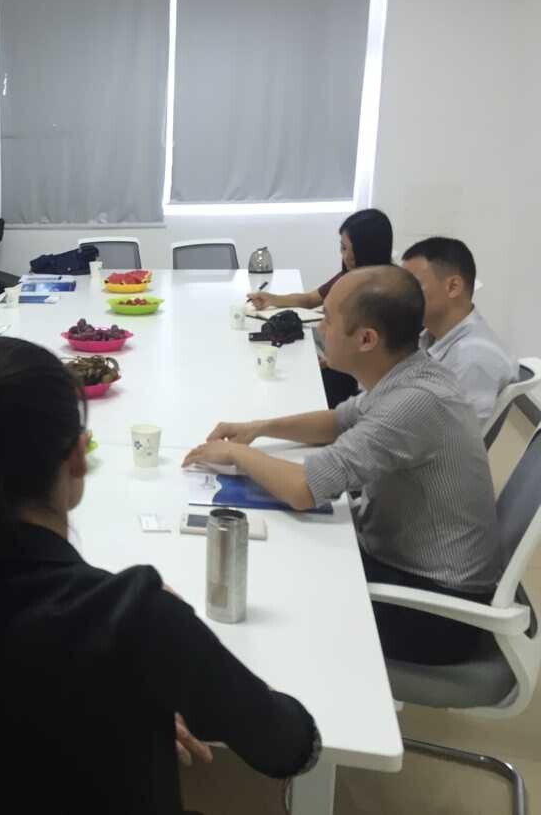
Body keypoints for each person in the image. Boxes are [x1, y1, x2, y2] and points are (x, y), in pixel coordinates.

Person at [0, 337, 320, 813]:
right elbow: (291, 747)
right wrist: (175, 662)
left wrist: (127, 688)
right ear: (76, 456)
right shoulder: (135, 617)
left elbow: (6, 704)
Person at [185, 266, 502, 666]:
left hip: (437, 610)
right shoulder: (408, 372)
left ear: (367, 339)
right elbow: (337, 421)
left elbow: (304, 489)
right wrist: (258, 428)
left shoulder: (414, 402)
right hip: (402, 560)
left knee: (274, 593)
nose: (319, 329)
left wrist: (237, 455)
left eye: (329, 320)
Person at [247, 208, 393, 408]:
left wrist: (332, 359)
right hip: (338, 358)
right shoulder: (350, 275)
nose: (342, 255)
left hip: (355, 374)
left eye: (345, 248)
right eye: (341, 247)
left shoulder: (386, 291)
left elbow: (376, 351)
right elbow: (310, 299)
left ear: (365, 249)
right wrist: (271, 299)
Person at [401, 237, 516, 426]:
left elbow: (451, 440)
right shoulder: (431, 338)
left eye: (412, 286)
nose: (401, 296)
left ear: (453, 287)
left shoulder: (474, 361)